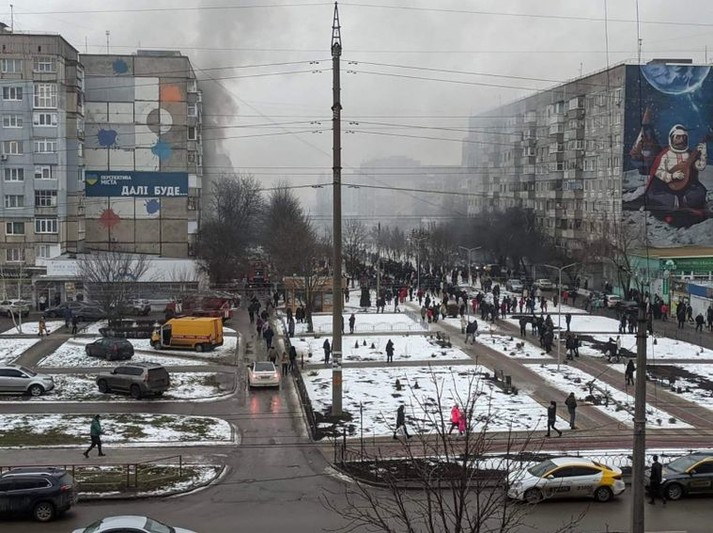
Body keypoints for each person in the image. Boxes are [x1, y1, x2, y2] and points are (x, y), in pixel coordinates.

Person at [646, 124, 708, 214]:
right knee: (663, 199)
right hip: (667, 187)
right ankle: (676, 203)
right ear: (671, 138)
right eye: (678, 137)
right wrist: (672, 176)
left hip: (686, 186)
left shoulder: (689, 154)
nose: (681, 140)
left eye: (683, 137)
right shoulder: (666, 155)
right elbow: (658, 172)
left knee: (700, 192)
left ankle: (685, 202)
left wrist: (703, 154)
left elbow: (700, 166)